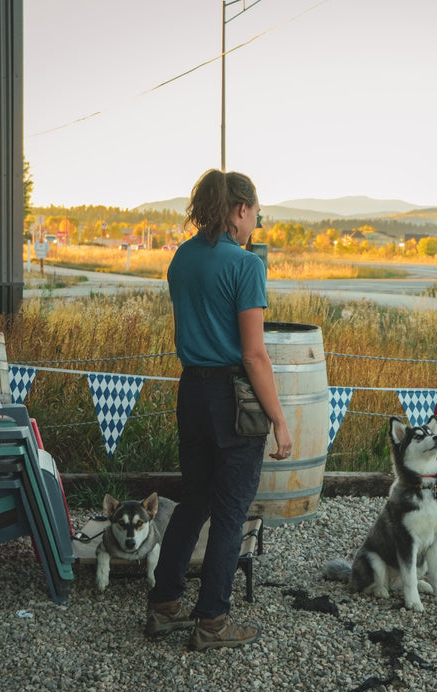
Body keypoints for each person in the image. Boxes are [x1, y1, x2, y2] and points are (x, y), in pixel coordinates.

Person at [146, 169, 293, 651]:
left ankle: (164, 604)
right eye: (255, 214)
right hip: (233, 400)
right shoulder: (245, 265)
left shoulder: (181, 259)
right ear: (239, 210)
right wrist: (279, 419)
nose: (254, 224)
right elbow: (253, 354)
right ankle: (212, 621)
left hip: (190, 392)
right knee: (230, 512)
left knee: (195, 500)